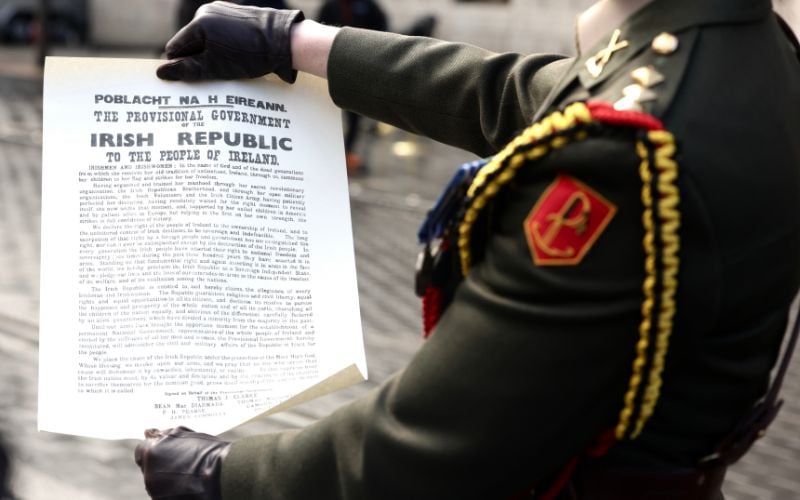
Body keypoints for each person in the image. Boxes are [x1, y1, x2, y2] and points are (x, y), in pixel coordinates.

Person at [138, 1, 800, 499]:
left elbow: (432, 440)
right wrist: (293, 43)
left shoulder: (623, 156)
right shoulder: (741, 43)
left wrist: (224, 474)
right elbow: (518, 92)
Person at [317, 0, 388, 175]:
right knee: (325, 113)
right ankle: (325, 154)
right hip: (328, 69)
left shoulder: (370, 8)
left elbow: (384, 35)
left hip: (359, 72)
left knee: (355, 117)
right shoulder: (330, 6)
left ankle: (348, 153)